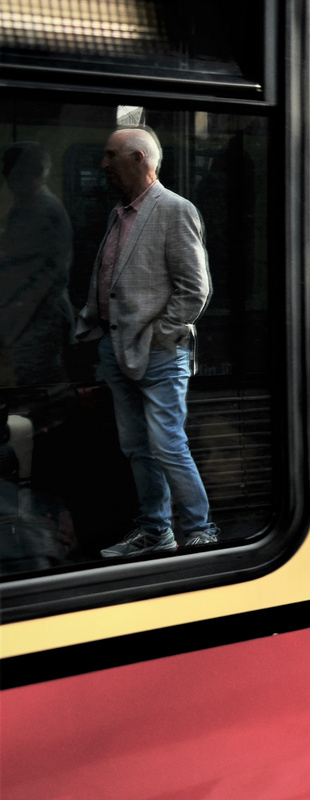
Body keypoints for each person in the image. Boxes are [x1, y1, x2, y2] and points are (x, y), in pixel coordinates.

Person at [75, 125, 215, 558]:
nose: (103, 165)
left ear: (139, 159)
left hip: (157, 352)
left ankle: (200, 530)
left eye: (111, 155)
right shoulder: (121, 212)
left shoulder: (174, 209)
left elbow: (195, 288)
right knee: (137, 448)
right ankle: (157, 532)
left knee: (167, 445)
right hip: (116, 347)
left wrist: (160, 334)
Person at [0, 142, 73, 387]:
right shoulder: (26, 207)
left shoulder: (43, 211)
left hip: (39, 319)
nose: (10, 184)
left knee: (39, 386)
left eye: (16, 175)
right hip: (31, 317)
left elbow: (39, 273)